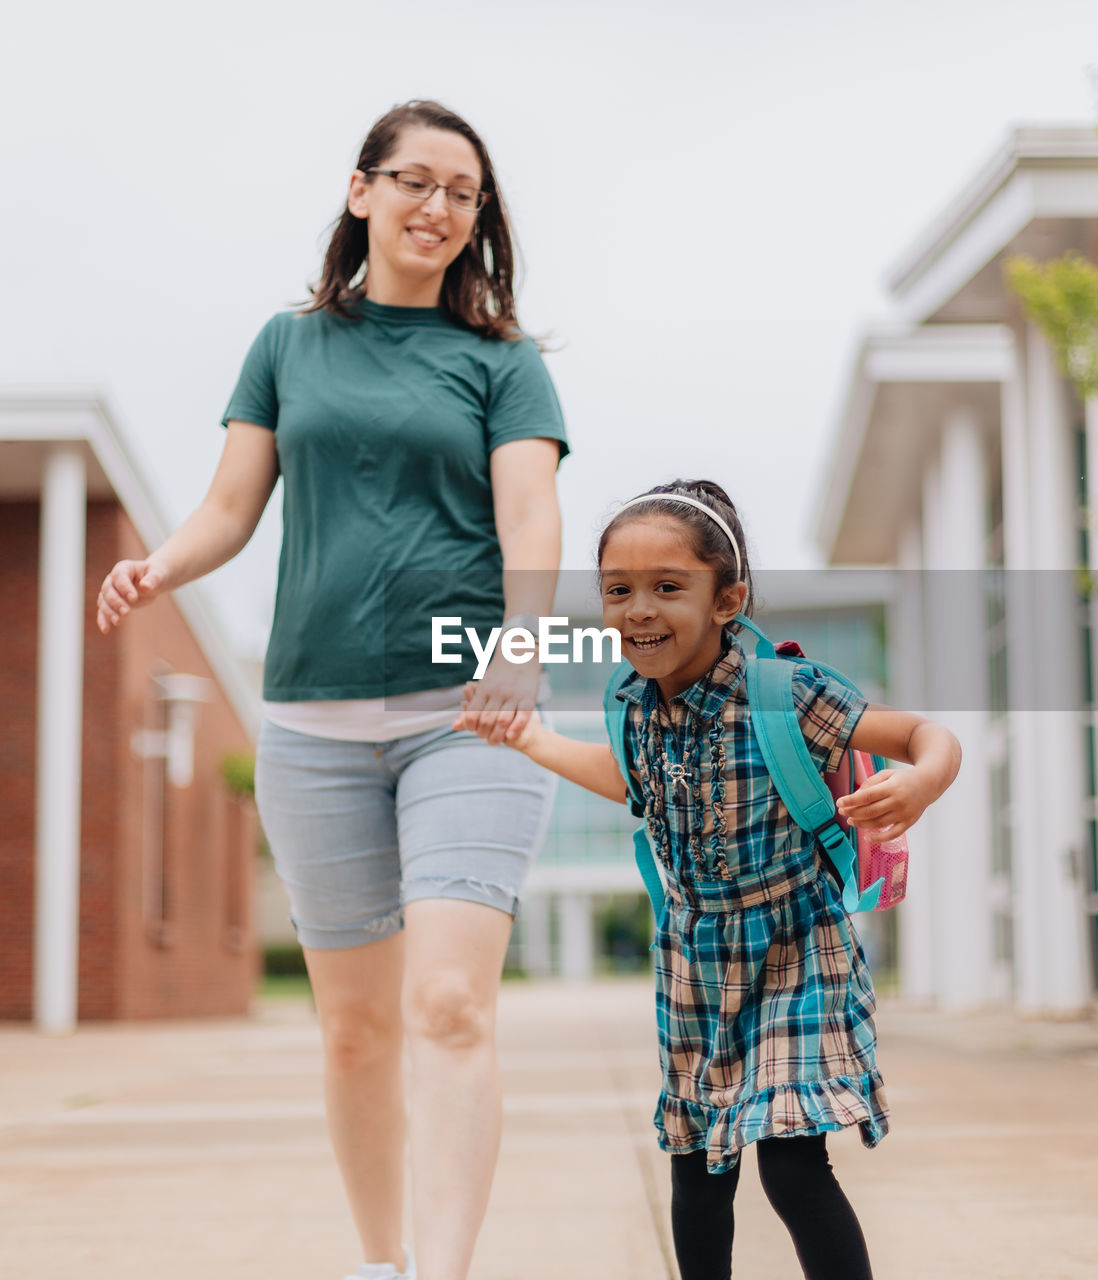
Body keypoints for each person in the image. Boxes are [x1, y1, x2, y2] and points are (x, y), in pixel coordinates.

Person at [97, 100, 569, 1280]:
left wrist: (522, 642)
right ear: (360, 192)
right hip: (312, 725)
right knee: (355, 1029)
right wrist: (158, 562)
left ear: (480, 219)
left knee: (450, 1002)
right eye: (417, 181)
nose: (440, 207)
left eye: (465, 193)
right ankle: (381, 1261)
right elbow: (229, 505)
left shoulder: (503, 365)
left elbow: (529, 513)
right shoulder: (287, 343)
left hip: (468, 715)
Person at [457, 479, 961, 1280]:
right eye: (617, 591)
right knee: (698, 1173)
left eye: (668, 587)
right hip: (696, 961)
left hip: (799, 949)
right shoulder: (632, 709)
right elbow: (626, 778)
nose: (638, 610)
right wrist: (531, 738)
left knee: (793, 1169)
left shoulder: (785, 693)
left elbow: (921, 733)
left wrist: (924, 780)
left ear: (728, 599)